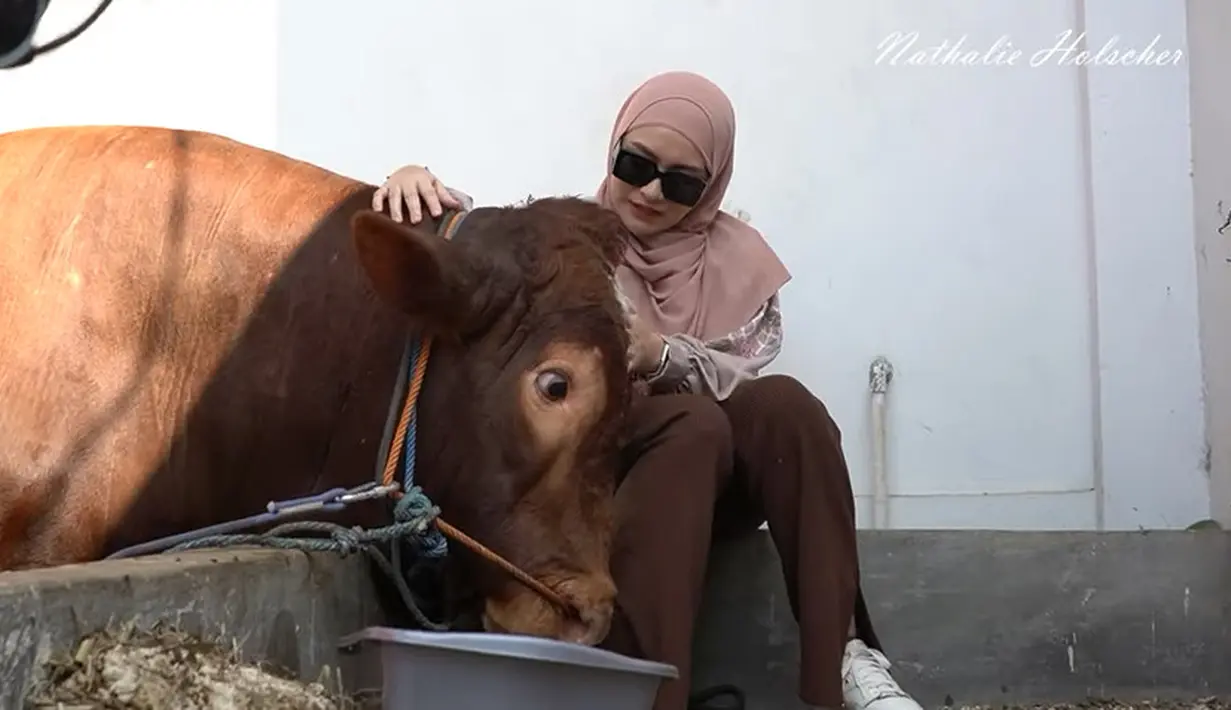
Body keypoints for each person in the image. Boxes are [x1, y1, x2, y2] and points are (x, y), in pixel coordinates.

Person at [372, 71, 924, 710]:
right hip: (602, 474)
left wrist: (659, 355)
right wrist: (412, 183)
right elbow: (475, 254)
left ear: (713, 186)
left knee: (788, 407)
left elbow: (741, 371)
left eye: (683, 182)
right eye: (635, 165)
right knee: (692, 425)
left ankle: (845, 665)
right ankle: (646, 692)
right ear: (613, 149)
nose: (652, 192)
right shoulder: (563, 244)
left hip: (712, 477)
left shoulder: (742, 266)